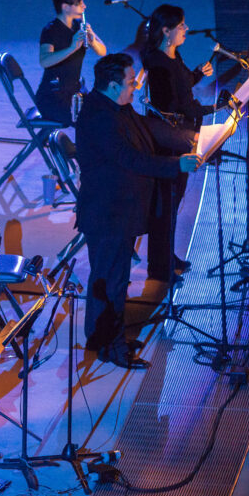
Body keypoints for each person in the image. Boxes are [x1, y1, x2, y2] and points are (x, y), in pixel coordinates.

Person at [74, 54, 201, 369]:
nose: (136, 86)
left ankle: (100, 337)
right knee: (112, 282)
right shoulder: (99, 118)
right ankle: (113, 348)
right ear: (114, 85)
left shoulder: (115, 106)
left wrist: (187, 138)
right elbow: (130, 159)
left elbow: (146, 128)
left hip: (118, 212)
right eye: (131, 82)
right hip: (109, 215)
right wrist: (176, 164)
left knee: (107, 279)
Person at [141, 4, 218, 282]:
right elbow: (177, 104)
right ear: (166, 30)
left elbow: (183, 84)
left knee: (173, 200)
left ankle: (165, 257)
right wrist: (216, 109)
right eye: (181, 26)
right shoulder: (159, 64)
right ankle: (159, 268)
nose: (186, 29)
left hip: (178, 132)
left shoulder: (172, 54)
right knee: (167, 202)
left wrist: (197, 74)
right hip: (170, 140)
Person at [36, 0, 107, 126]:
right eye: (80, 3)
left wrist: (92, 39)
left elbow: (102, 51)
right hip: (54, 96)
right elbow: (44, 60)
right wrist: (72, 48)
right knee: (91, 121)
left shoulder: (79, 26)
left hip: (74, 91)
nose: (84, 6)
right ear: (66, 7)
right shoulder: (51, 30)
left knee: (106, 113)